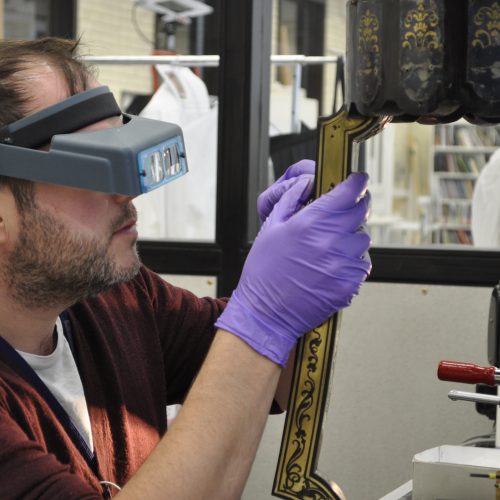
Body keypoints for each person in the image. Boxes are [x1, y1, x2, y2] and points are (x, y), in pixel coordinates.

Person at [0, 38, 371, 499]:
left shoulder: (117, 299)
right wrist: (264, 316)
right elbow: (254, 338)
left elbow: (268, 374)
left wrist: (300, 272)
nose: (128, 194)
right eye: (95, 168)